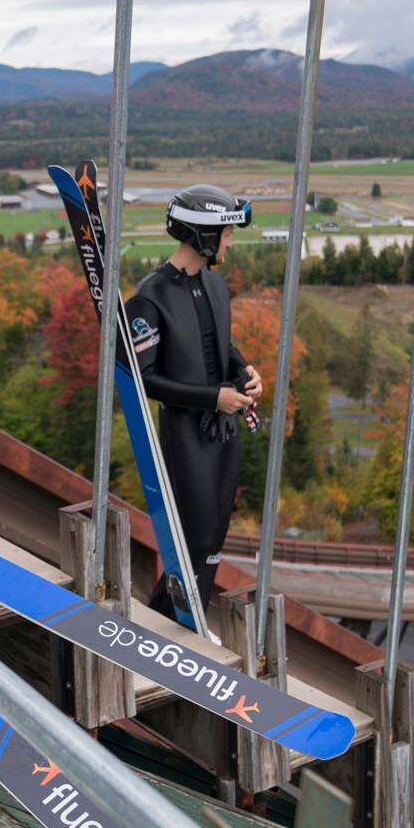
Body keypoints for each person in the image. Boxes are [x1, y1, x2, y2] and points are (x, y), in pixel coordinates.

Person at [125, 184, 264, 620]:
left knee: (213, 542)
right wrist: (212, 397)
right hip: (185, 436)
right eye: (225, 233)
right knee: (195, 539)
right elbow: (142, 379)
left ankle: (190, 622)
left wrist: (244, 372)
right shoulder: (150, 298)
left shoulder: (215, 285)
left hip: (223, 431)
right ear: (202, 234)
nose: (230, 241)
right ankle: (169, 624)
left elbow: (218, 344)